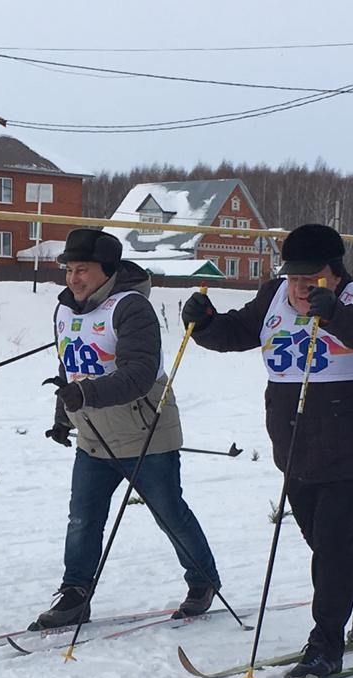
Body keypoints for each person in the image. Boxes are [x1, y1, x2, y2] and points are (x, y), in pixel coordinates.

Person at [183, 223, 353, 678]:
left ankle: (326, 643)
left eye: (314, 277)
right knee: (323, 539)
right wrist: (204, 322)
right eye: (295, 276)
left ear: (335, 271)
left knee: (331, 540)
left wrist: (337, 317)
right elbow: (236, 332)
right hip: (295, 445)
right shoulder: (273, 296)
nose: (303, 286)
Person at [35, 228, 222, 629]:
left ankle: (202, 580)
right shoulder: (64, 310)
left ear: (107, 270)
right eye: (70, 269)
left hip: (146, 432)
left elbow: (137, 374)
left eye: (83, 270)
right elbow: (70, 369)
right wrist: (63, 416)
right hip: (94, 437)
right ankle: (75, 594)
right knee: (83, 518)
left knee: (168, 512)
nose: (74, 278)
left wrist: (84, 398)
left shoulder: (132, 308)